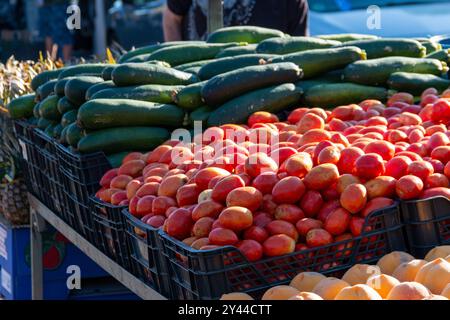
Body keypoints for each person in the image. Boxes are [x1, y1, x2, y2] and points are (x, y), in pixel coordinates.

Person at [163, 0, 309, 41]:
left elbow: (300, 52)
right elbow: (172, 19)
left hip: (266, 104)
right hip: (197, 95)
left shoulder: (293, 3)